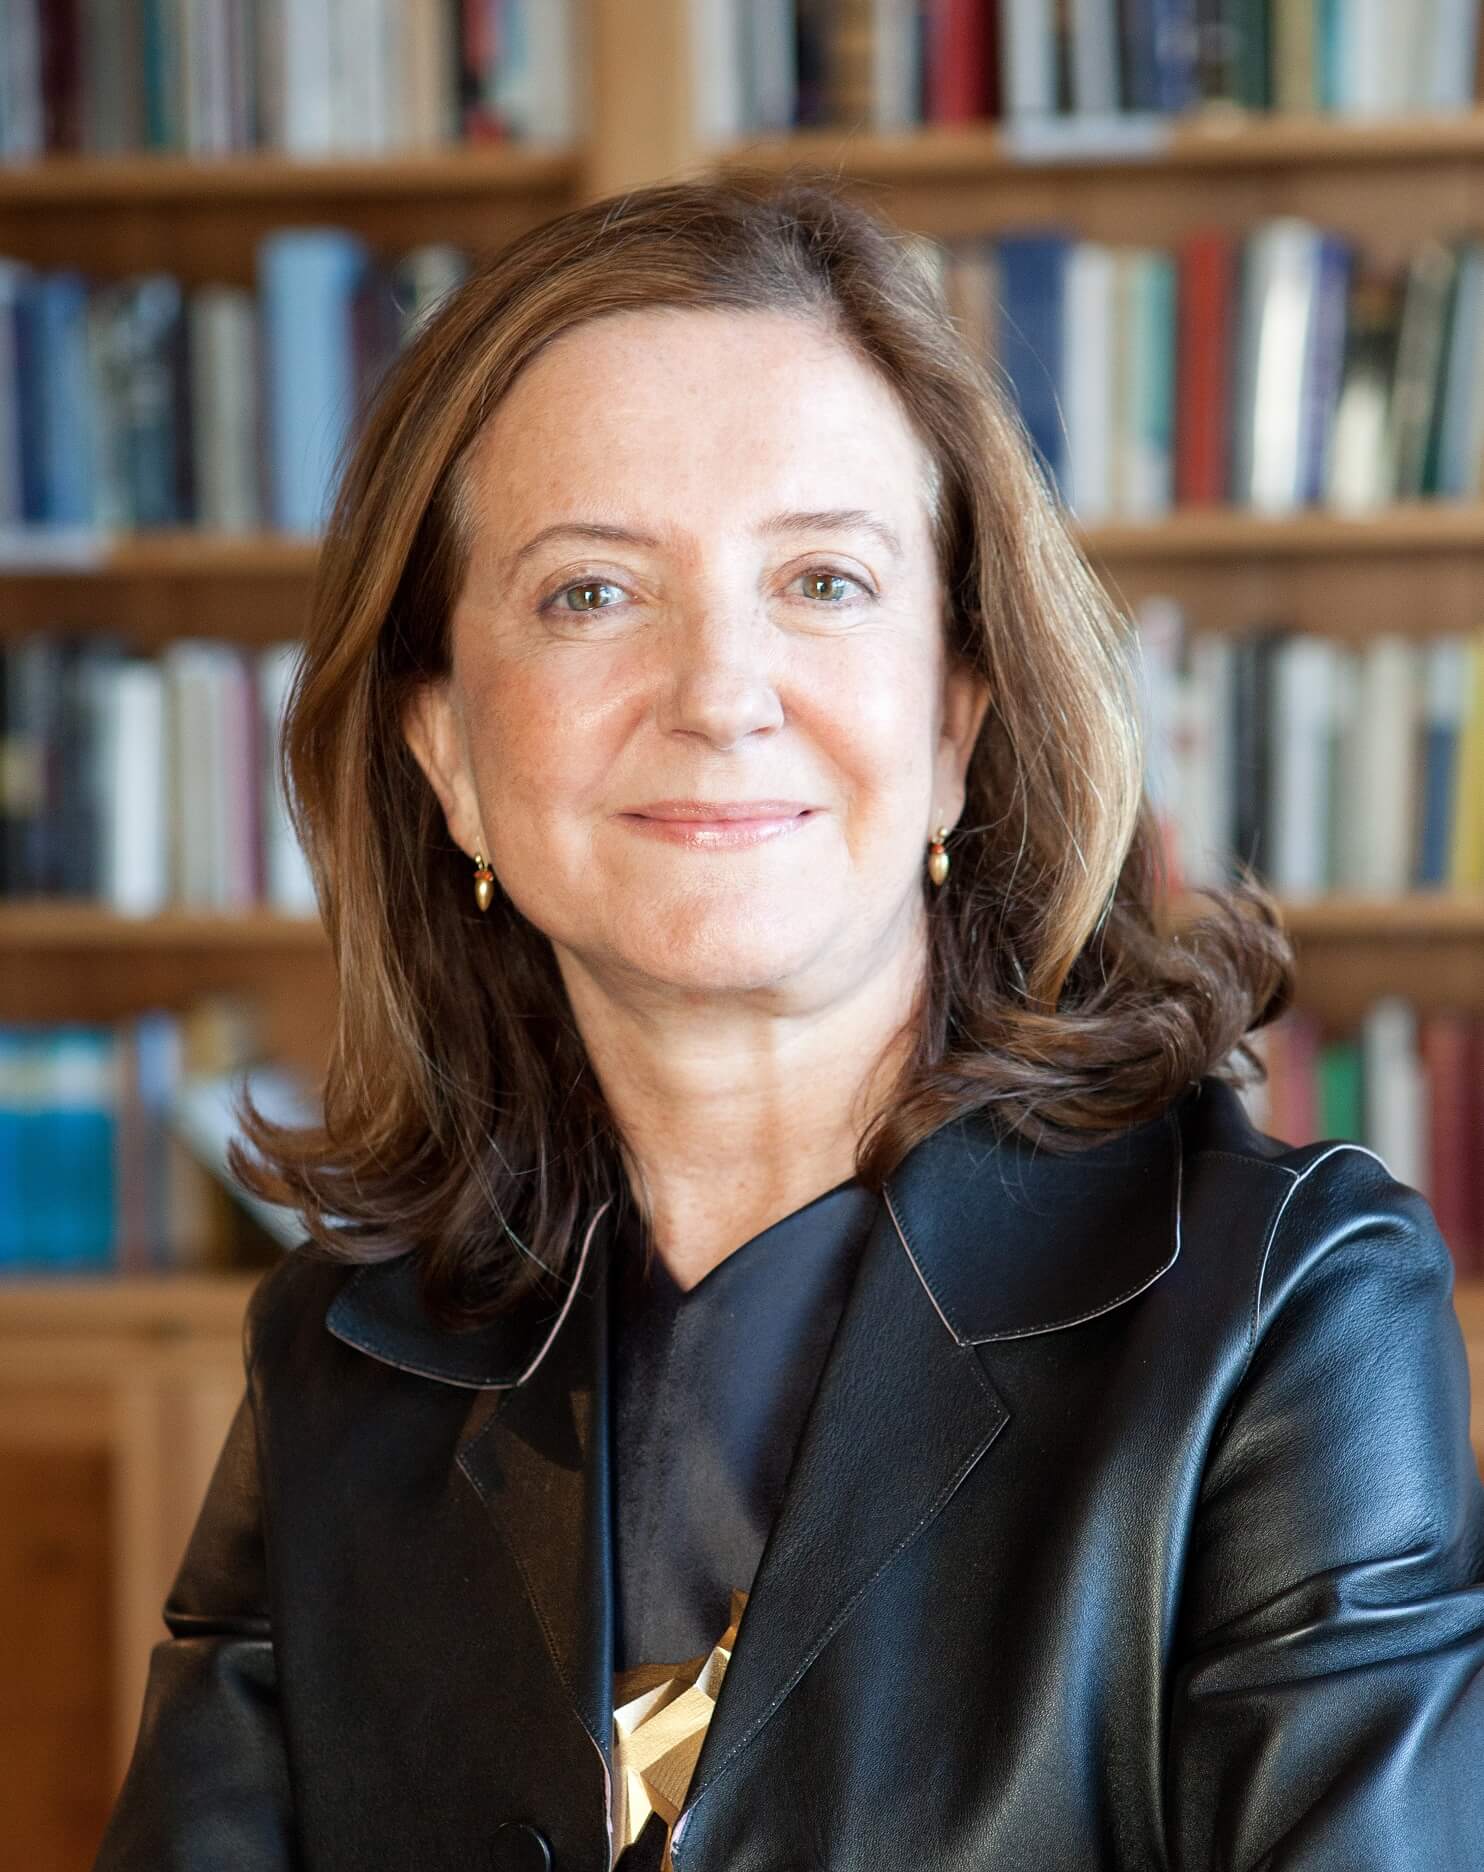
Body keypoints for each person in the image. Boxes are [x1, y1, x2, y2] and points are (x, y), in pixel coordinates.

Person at [93, 168, 1484, 1872]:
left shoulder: (1283, 1314)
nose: (718, 693)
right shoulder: (338, 1360)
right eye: (590, 593)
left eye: (823, 581)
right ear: (448, 755)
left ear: (958, 723)